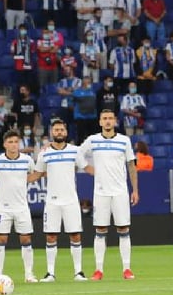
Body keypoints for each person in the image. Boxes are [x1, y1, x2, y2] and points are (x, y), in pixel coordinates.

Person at [76, 109, 139, 280]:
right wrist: (87, 168)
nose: (108, 121)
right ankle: (99, 270)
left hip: (120, 192)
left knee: (123, 229)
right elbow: (77, 153)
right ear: (100, 122)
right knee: (100, 230)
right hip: (101, 193)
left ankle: (127, 269)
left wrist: (135, 190)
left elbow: (132, 166)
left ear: (115, 121)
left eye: (110, 118)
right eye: (105, 118)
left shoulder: (124, 141)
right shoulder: (93, 140)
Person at [30, 119, 84, 282]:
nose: (59, 132)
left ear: (66, 132)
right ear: (51, 133)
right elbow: (37, 174)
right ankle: (50, 273)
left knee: (75, 235)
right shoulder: (44, 153)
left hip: (71, 200)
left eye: (62, 129)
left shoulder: (75, 151)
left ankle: (78, 272)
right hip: (52, 201)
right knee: (51, 236)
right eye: (56, 130)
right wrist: (17, 179)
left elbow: (85, 167)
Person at [0, 130, 37, 283]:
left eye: (16, 142)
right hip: (3, 208)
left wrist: (24, 181)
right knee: (0, 240)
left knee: (26, 240)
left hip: (22, 207)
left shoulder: (27, 160)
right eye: (10, 142)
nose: (14, 145)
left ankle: (29, 274)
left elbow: (34, 175)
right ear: (4, 144)